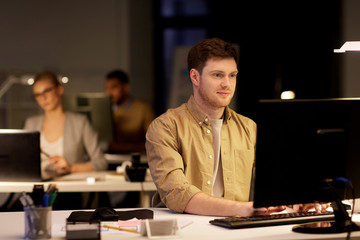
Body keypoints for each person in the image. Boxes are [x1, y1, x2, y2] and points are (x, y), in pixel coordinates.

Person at [146, 38, 328, 217]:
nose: (227, 84)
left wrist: (302, 198)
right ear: (195, 76)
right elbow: (178, 193)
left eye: (232, 75)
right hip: (185, 231)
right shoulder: (165, 127)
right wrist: (243, 209)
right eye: (217, 75)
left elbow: (280, 179)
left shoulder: (249, 128)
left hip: (236, 230)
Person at [24, 71, 108, 179]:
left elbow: (100, 162)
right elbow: (22, 163)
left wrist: (71, 168)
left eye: (47, 91)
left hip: (71, 190)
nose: (43, 98)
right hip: (38, 188)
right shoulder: (31, 124)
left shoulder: (79, 122)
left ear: (59, 89)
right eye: (37, 95)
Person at [105, 70, 155, 154]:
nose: (109, 93)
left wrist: (127, 147)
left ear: (125, 87)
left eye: (113, 87)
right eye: (107, 88)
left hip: (137, 158)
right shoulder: (106, 109)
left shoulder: (143, 108)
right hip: (110, 158)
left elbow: (154, 141)